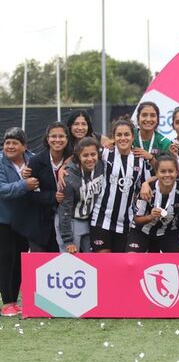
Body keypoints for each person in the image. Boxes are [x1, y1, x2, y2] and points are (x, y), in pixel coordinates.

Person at [90, 118, 151, 253]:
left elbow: (153, 177)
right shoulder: (105, 153)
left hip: (124, 223)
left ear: (133, 136)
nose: (123, 138)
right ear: (113, 137)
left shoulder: (139, 158)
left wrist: (146, 183)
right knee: (104, 263)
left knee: (119, 268)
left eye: (126, 134)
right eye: (119, 135)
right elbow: (84, 148)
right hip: (101, 219)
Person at [0, 128, 37, 316]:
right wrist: (24, 185)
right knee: (5, 260)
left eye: (15, 143)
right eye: (7, 143)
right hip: (4, 220)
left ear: (24, 146)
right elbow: (2, 189)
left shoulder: (34, 159)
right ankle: (7, 302)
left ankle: (15, 300)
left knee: (20, 260)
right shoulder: (0, 162)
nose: (10, 146)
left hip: (25, 220)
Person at [128, 154, 179, 253]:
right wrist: (150, 217)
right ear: (156, 173)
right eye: (163, 171)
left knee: (175, 262)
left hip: (167, 233)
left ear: (177, 172)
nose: (167, 175)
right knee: (132, 258)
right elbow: (136, 220)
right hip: (142, 232)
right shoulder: (147, 190)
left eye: (171, 171)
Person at [27, 122, 70, 252]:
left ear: (67, 139)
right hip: (42, 224)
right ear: (47, 138)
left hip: (68, 222)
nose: (57, 140)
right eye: (53, 136)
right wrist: (53, 196)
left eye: (61, 136)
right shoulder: (36, 161)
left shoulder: (74, 158)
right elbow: (30, 194)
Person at [57, 137, 104, 253]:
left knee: (90, 261)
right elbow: (65, 211)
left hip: (88, 221)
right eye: (85, 155)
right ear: (78, 156)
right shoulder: (68, 178)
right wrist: (68, 240)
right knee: (70, 262)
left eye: (93, 154)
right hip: (70, 222)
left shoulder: (101, 166)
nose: (90, 159)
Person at [133, 101, 172, 170]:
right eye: (144, 115)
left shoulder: (165, 143)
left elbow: (166, 171)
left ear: (157, 119)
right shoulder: (129, 136)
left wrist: (151, 158)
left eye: (153, 115)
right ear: (138, 118)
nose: (148, 119)